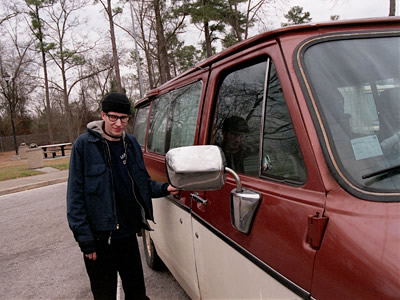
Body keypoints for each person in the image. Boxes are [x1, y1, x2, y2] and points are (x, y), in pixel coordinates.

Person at [67, 92, 178, 300]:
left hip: (127, 235)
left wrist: (165, 189)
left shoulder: (132, 144)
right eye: (113, 117)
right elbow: (75, 198)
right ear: (103, 115)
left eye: (124, 118)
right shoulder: (84, 146)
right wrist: (86, 241)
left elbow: (142, 183)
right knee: (104, 295)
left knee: (137, 293)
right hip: (100, 239)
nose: (118, 123)